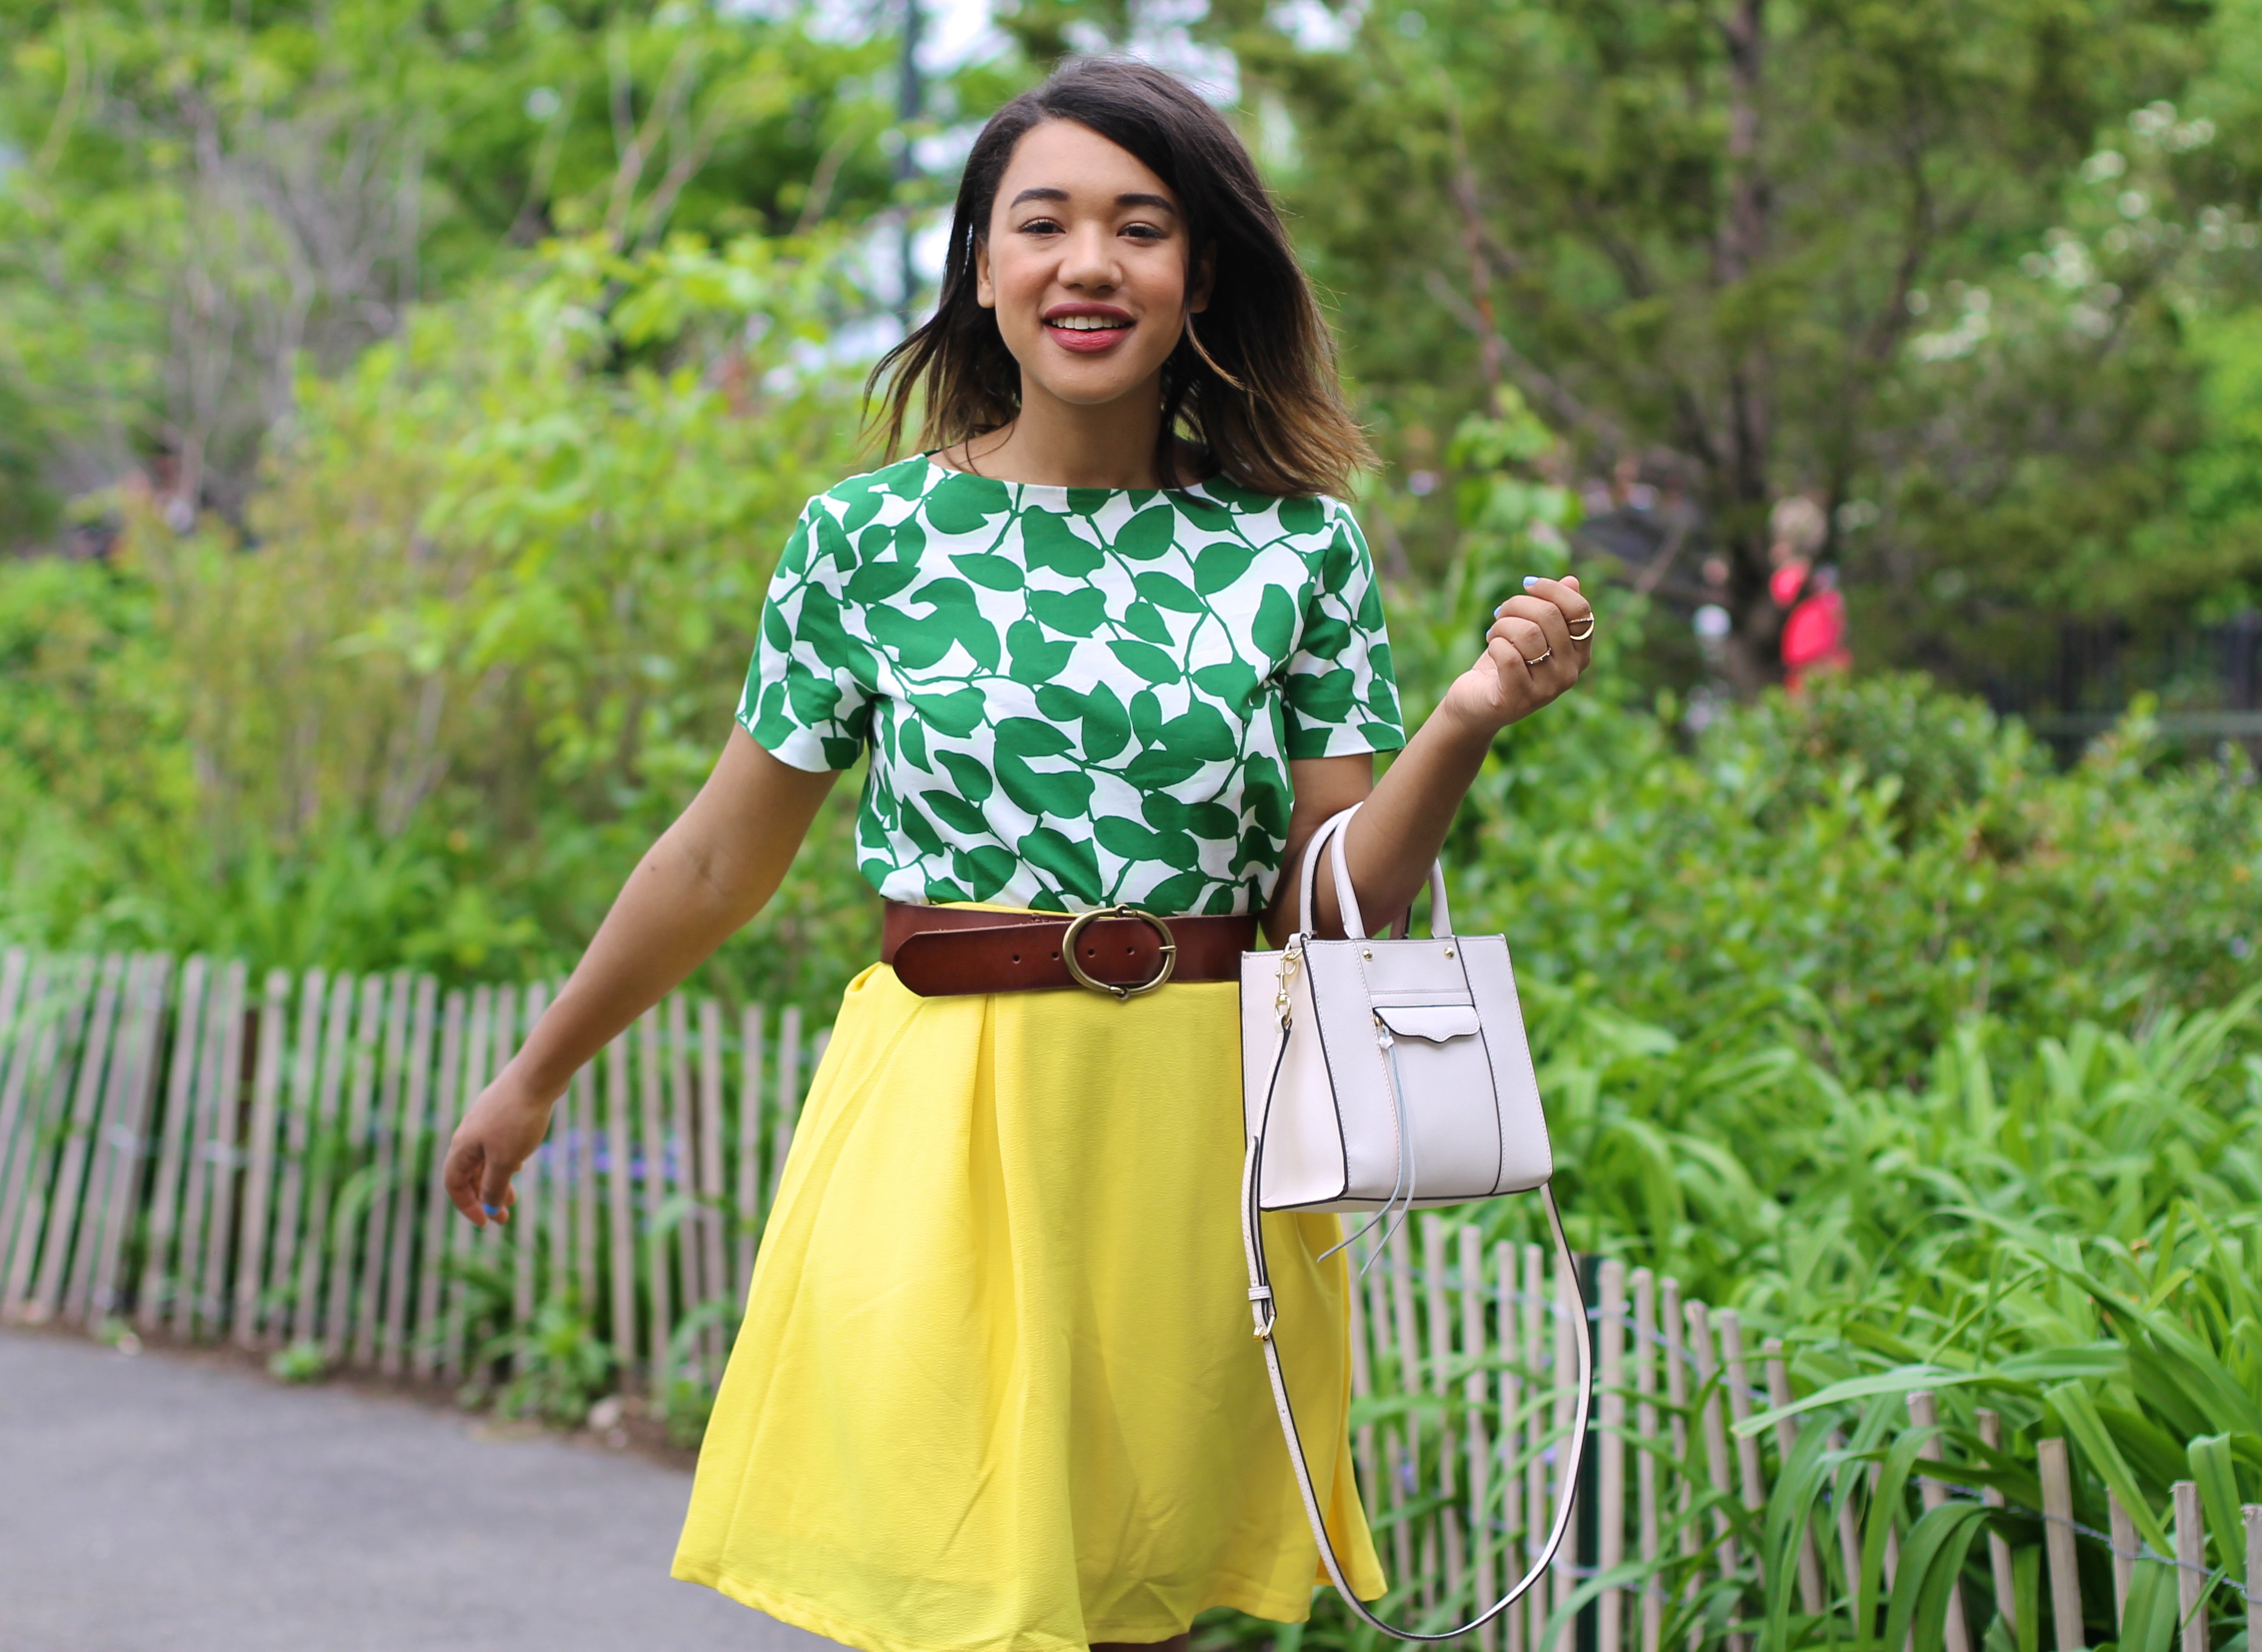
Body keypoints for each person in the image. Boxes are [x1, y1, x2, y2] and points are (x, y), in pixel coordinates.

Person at [441, 58, 1595, 1652]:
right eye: (1041, 223)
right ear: (982, 269)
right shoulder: (866, 541)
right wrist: (537, 1071)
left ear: (1199, 276)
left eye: (1141, 226)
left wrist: (1465, 716)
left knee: (1132, 1598)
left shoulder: (1294, 549)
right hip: (943, 1114)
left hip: (1203, 1124)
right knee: (953, 1583)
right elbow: (718, 858)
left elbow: (1337, 903)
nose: (1088, 264)